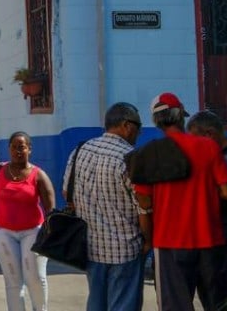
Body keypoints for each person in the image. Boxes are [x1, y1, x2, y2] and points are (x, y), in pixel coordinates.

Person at [134, 93, 227, 311]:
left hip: (169, 243)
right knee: (219, 305)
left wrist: (148, 238)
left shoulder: (149, 153)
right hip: (210, 240)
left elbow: (143, 200)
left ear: (156, 122)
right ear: (180, 116)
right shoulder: (208, 147)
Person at [63, 103, 149, 311]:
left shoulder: (80, 151)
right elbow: (143, 207)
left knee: (96, 303)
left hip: (91, 247)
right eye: (139, 127)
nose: (139, 133)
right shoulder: (131, 158)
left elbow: (67, 192)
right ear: (127, 126)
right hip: (126, 250)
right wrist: (148, 240)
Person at [186, 110, 227, 311]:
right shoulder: (222, 158)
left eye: (196, 140)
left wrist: (206, 198)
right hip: (225, 245)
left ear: (209, 134)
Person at [0, 132, 56, 311]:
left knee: (35, 278)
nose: (17, 151)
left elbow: (51, 212)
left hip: (33, 232)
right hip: (2, 233)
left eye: (21, 147)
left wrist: (50, 238)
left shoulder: (39, 175)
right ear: (9, 149)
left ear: (29, 149)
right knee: (13, 279)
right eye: (14, 147)